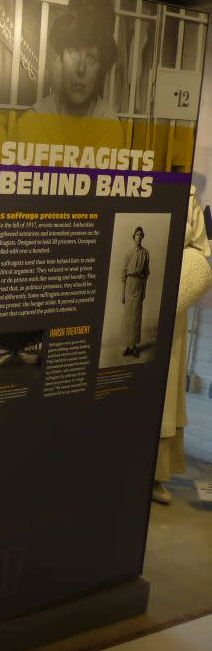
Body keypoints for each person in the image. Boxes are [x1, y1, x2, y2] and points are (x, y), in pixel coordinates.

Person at [154, 187, 211, 503]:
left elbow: (200, 253)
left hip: (171, 305)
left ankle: (156, 473)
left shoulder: (188, 200)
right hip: (132, 297)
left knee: (165, 387)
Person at [13, 0, 125, 149]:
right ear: (60, 56)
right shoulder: (30, 124)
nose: (81, 69)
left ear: (101, 68)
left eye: (91, 57)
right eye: (73, 52)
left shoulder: (110, 128)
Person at [121, 226, 149, 358]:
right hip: (129, 285)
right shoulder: (128, 253)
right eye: (136, 234)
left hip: (138, 284)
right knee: (127, 317)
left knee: (136, 317)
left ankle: (134, 346)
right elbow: (124, 273)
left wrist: (144, 290)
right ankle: (128, 346)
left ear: (142, 237)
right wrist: (122, 293)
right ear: (134, 237)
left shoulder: (145, 253)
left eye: (140, 234)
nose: (138, 236)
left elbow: (146, 274)